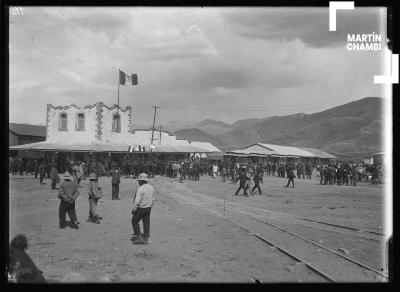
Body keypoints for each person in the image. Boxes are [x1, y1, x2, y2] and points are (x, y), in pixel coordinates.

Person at [131, 173, 155, 245]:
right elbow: (153, 199)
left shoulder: (140, 188)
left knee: (134, 221)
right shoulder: (151, 188)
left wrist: (134, 209)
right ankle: (146, 238)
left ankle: (139, 238)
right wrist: (150, 205)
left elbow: (137, 201)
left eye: (139, 181)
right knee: (146, 222)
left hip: (141, 208)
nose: (138, 182)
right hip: (148, 207)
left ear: (142, 181)